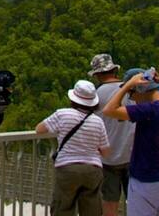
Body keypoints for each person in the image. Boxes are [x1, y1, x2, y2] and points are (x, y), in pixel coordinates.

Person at [104, 69, 159, 216]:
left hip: (145, 180)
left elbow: (109, 110)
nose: (131, 99)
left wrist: (128, 85)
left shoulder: (149, 111)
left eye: (131, 94)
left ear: (139, 88)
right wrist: (153, 83)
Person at [40, 79, 112, 216]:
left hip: (67, 168)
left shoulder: (63, 114)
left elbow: (40, 129)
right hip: (92, 169)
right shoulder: (98, 121)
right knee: (92, 209)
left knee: (63, 207)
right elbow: (106, 151)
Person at [93, 54, 135, 216]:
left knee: (109, 203)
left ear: (97, 74)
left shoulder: (96, 95)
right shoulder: (130, 91)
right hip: (131, 154)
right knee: (135, 202)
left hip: (107, 157)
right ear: (115, 70)